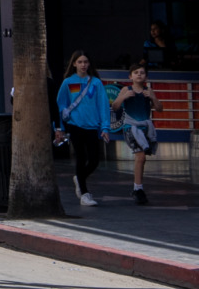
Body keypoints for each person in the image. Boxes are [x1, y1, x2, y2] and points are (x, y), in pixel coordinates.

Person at [55, 52, 113, 207]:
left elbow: (103, 105)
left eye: (86, 61)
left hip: (92, 126)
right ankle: (85, 194)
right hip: (75, 125)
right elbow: (60, 106)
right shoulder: (68, 82)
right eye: (79, 62)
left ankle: (79, 179)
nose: (83, 65)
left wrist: (105, 127)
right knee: (81, 157)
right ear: (74, 64)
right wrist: (58, 127)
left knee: (94, 160)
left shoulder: (96, 83)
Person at [112, 63, 157, 205]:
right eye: (136, 72)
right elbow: (115, 106)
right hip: (130, 128)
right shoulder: (126, 89)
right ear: (130, 76)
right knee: (141, 156)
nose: (139, 75)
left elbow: (160, 108)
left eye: (142, 72)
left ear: (146, 76)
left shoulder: (148, 91)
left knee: (142, 159)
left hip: (144, 127)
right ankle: (138, 189)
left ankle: (138, 187)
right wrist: (123, 97)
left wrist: (153, 98)